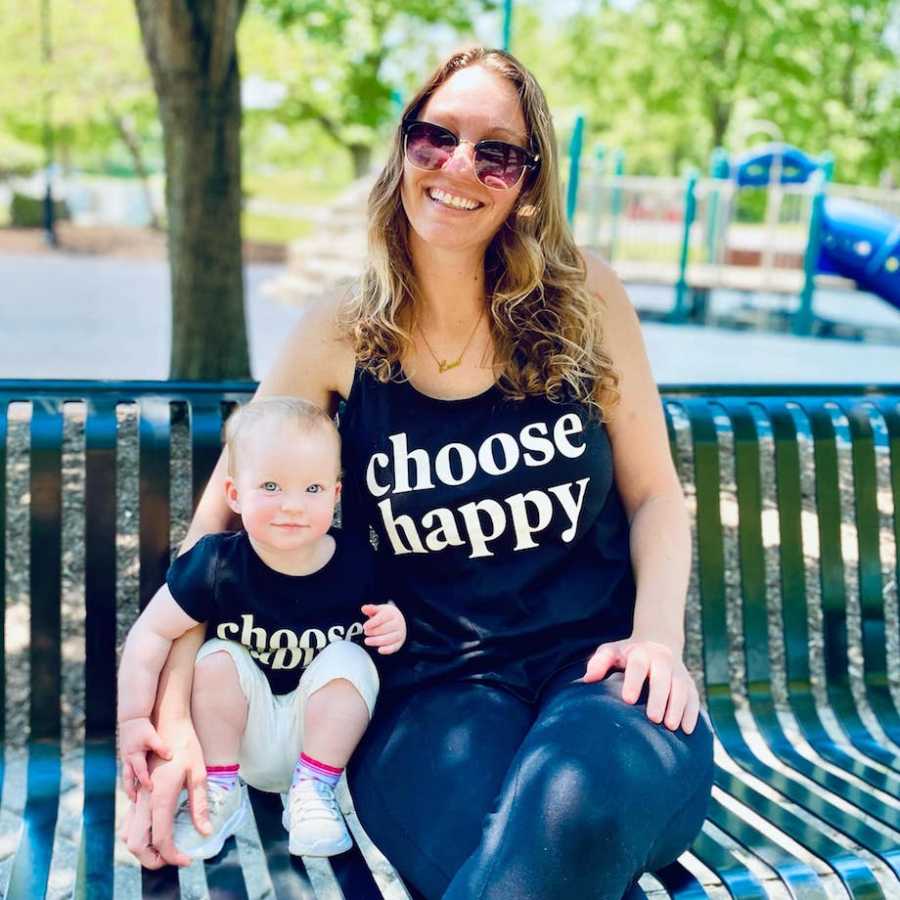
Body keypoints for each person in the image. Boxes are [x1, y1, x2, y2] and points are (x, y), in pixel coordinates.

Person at [122, 46, 714, 898]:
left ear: (529, 181)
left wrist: (657, 639)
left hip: (599, 675)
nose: (458, 166)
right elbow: (222, 517)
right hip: (427, 699)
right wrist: (175, 717)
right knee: (535, 867)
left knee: (571, 815)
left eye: (496, 151)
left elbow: (655, 494)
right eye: (435, 137)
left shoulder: (587, 298)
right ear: (403, 149)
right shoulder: (342, 331)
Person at [117, 397, 407, 860]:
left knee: (350, 661)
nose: (292, 506)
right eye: (271, 486)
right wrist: (134, 719)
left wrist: (394, 622)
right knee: (215, 658)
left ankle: (314, 795)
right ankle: (218, 793)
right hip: (239, 739)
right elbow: (151, 632)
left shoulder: (357, 561)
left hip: (324, 742)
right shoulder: (216, 562)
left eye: (311, 489)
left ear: (335, 495)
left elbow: (390, 616)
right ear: (234, 495)